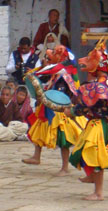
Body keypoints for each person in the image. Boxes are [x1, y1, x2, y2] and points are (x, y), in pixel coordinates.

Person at [23, 45, 85, 174]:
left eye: (56, 54)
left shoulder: (64, 74)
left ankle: (65, 167)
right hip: (48, 107)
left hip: (61, 111)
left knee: (63, 140)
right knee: (38, 129)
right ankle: (36, 156)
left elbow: (62, 95)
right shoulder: (56, 73)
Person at [68, 81, 108, 201]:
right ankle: (92, 177)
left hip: (100, 127)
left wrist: (70, 112)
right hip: (105, 125)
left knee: (97, 159)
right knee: (87, 155)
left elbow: (81, 108)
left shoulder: (96, 92)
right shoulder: (107, 88)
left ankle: (98, 193)